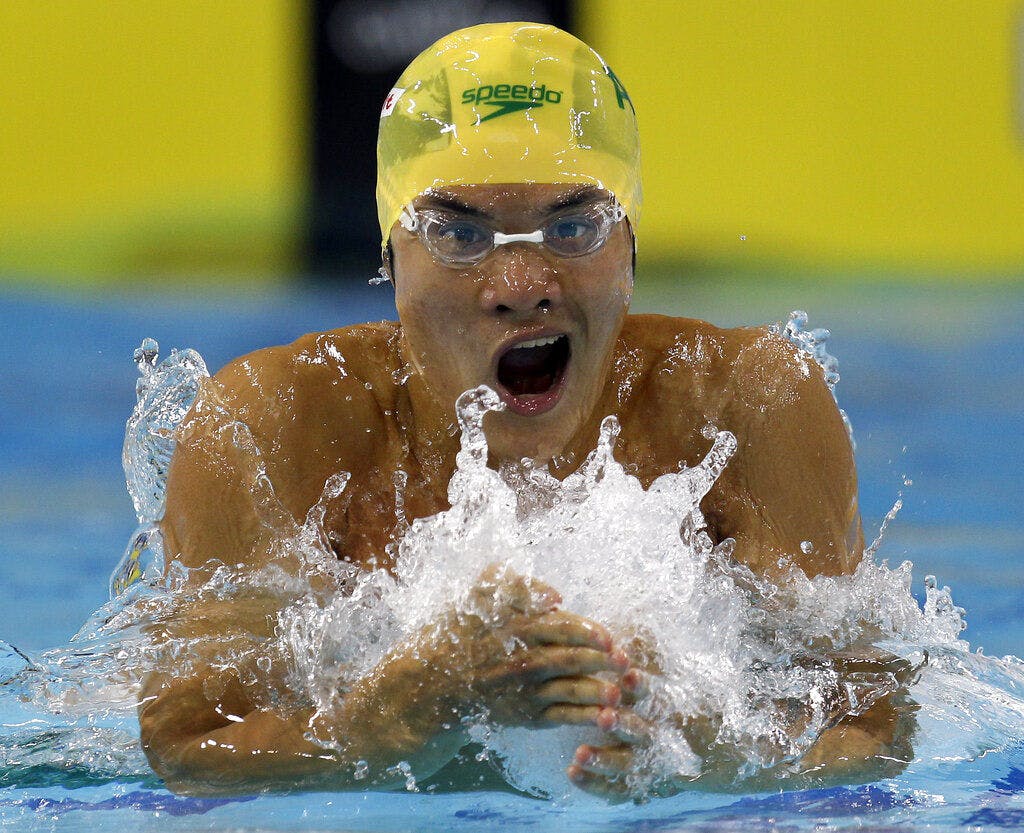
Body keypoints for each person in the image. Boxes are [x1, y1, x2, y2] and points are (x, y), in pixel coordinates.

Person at [138, 22, 912, 798]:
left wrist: (723, 754)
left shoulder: (745, 405)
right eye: (457, 233)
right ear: (389, 256)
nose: (519, 279)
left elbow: (876, 727)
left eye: (572, 227)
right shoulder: (271, 425)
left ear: (630, 247)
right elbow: (188, 749)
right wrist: (378, 725)